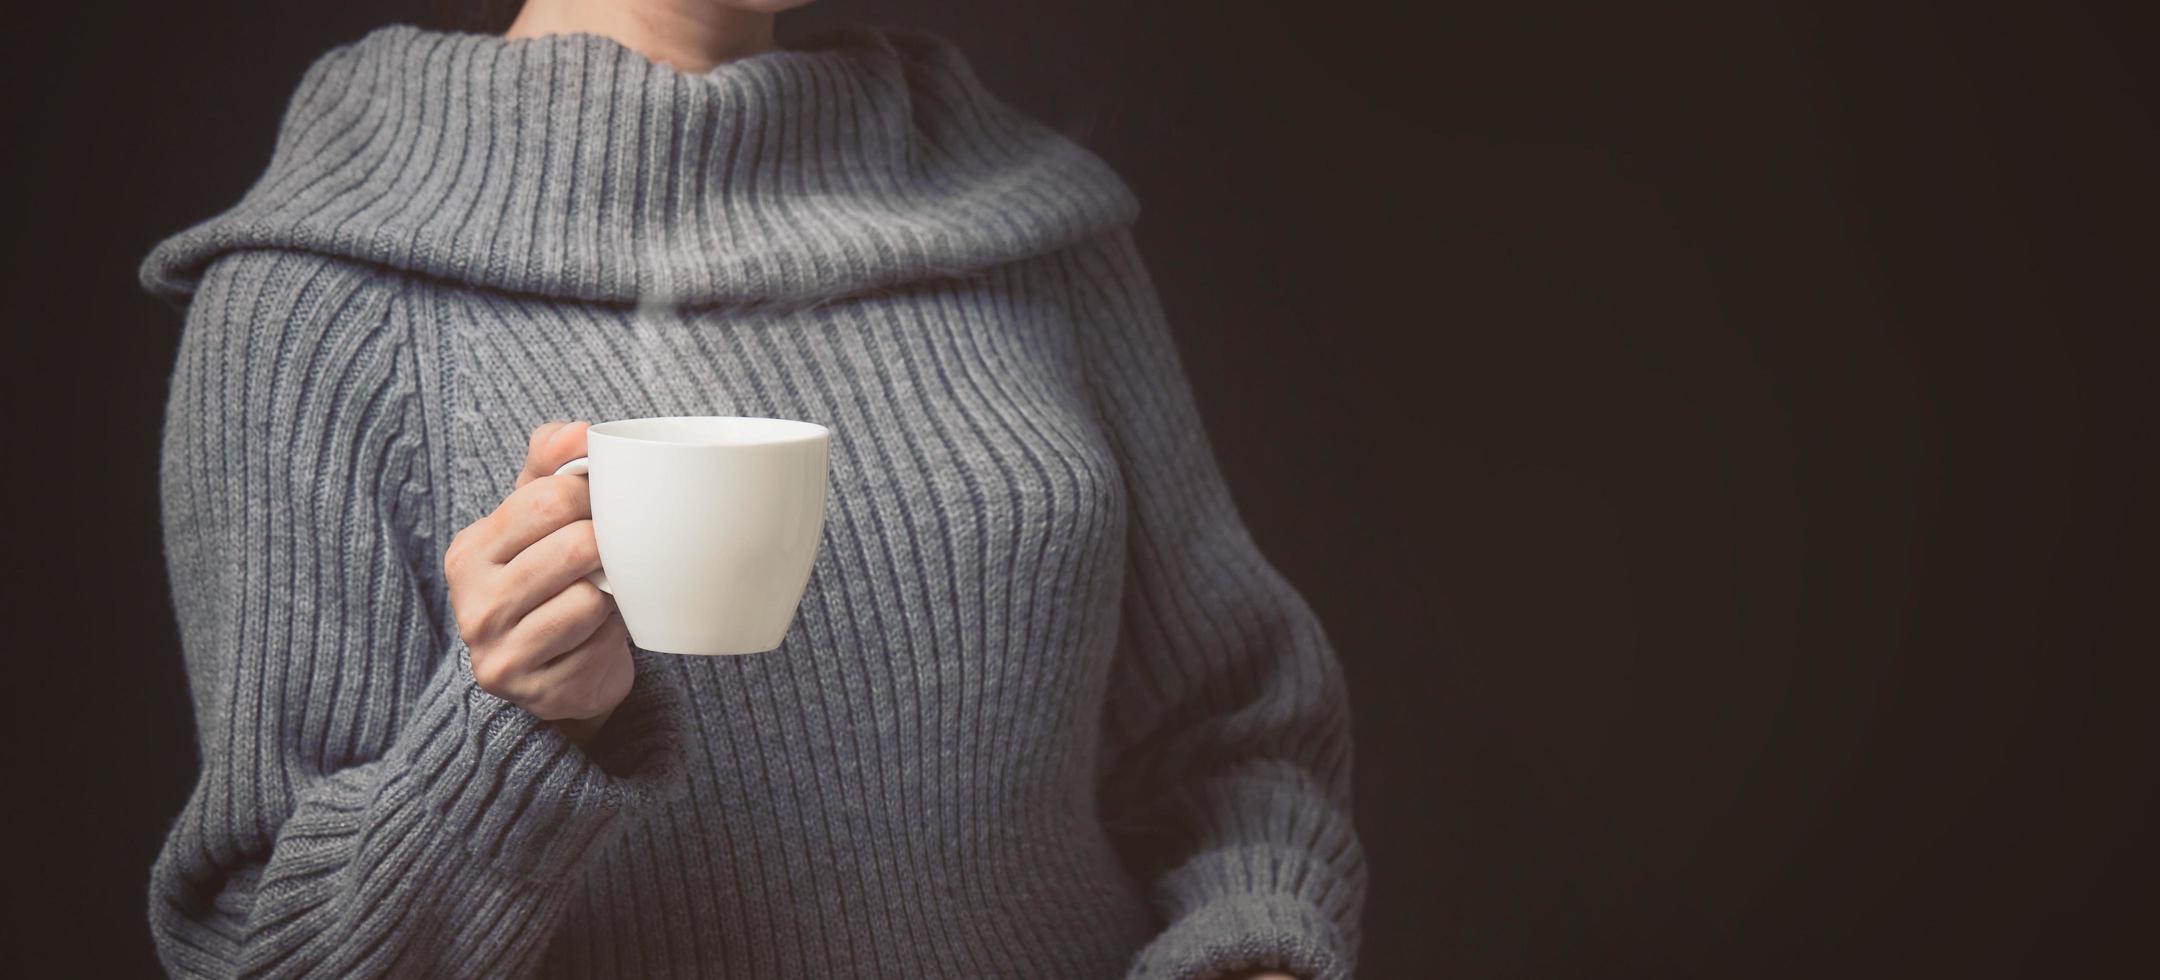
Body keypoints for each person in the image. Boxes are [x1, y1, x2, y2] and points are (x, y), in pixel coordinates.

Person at [136, 0, 1365, 976]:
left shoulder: (1029, 220)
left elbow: (1233, 733)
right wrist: (514, 733)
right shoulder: (313, 301)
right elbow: (265, 955)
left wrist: (1248, 959)